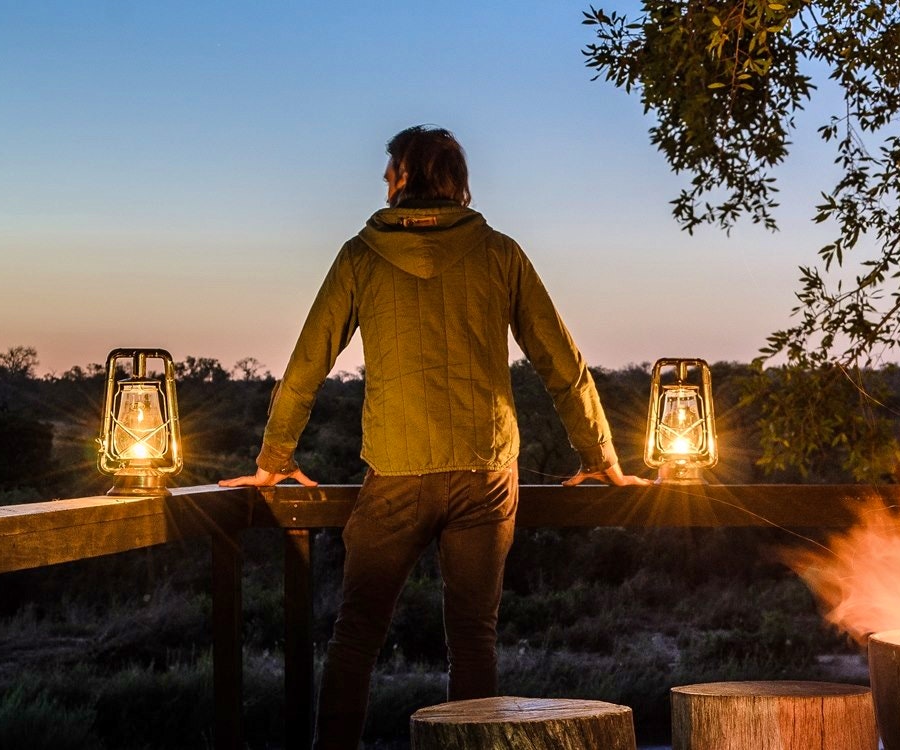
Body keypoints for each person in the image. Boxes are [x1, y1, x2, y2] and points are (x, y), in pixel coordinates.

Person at [222, 125, 647, 750]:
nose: (383, 180)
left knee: (357, 635)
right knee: (474, 638)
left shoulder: (360, 256)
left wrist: (273, 459)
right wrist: (601, 457)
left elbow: (307, 364)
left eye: (389, 169)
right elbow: (562, 363)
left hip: (395, 474)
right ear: (455, 181)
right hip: (485, 474)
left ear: (404, 177)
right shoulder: (500, 252)